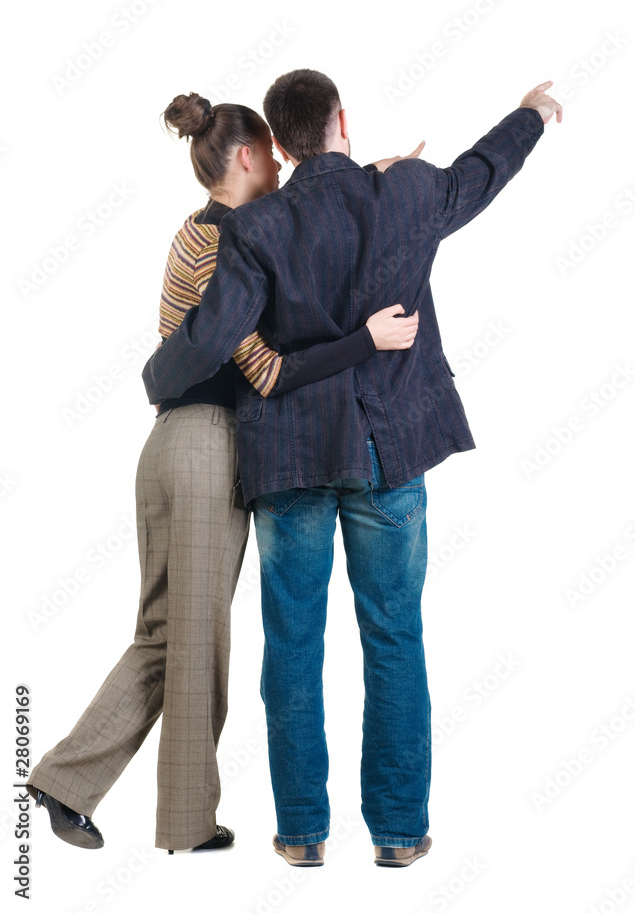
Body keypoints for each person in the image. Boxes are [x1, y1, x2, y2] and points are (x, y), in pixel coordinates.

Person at [142, 72, 562, 867]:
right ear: (342, 121)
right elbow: (481, 171)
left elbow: (210, 337)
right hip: (387, 452)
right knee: (394, 634)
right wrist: (531, 113)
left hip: (290, 457)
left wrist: (157, 378)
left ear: (279, 143)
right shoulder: (404, 192)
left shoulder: (255, 226)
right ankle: (399, 835)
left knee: (292, 641)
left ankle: (302, 836)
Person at [27, 94, 419, 855]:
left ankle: (98, 792)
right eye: (273, 156)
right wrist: (366, 339)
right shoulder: (224, 245)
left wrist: (368, 175)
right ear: (246, 157)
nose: (281, 168)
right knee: (195, 639)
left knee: (170, 632)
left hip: (173, 444)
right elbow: (266, 369)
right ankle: (137, 804)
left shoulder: (205, 231)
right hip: (206, 443)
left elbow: (303, 216)